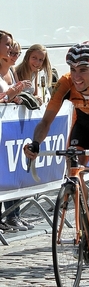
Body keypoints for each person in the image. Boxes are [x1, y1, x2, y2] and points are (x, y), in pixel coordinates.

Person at [23, 41, 89, 245]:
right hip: (84, 123)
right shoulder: (65, 83)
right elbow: (46, 121)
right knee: (73, 164)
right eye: (72, 69)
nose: (76, 76)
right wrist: (35, 143)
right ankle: (85, 214)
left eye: (83, 70)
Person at [0, 41, 34, 231]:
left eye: (16, 52)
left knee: (14, 172)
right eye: (9, 48)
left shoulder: (12, 71)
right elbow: (4, 95)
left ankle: (13, 215)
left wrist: (18, 96)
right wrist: (10, 93)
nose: (13, 54)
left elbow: (10, 95)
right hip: (2, 128)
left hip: (10, 129)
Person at [0, 29, 19, 234]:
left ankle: (9, 217)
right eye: (7, 44)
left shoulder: (9, 71)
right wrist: (8, 95)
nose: (10, 48)